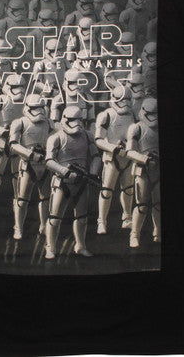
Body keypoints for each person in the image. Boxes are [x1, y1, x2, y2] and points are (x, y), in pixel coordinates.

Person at [45, 106, 101, 259]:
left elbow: (96, 156)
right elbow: (49, 161)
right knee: (55, 217)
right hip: (62, 181)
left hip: (81, 181)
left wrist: (93, 173)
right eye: (72, 120)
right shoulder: (56, 138)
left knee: (82, 217)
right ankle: (51, 247)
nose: (76, 123)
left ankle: (81, 246)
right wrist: (65, 172)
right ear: (64, 119)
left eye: (79, 120)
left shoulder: (87, 135)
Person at [9, 94, 54, 239]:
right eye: (35, 108)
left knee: (46, 198)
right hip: (27, 164)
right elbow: (13, 145)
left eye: (41, 107)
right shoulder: (20, 123)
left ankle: (44, 226)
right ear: (28, 108)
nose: (39, 111)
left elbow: (55, 141)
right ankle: (18, 228)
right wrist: (30, 154)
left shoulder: (49, 123)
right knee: (22, 199)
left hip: (44, 164)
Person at [95, 86, 136, 234]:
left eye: (127, 99)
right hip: (112, 157)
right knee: (106, 190)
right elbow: (98, 140)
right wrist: (113, 148)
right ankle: (102, 221)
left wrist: (130, 146)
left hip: (128, 156)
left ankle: (127, 217)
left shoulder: (133, 115)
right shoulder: (106, 115)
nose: (124, 103)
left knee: (128, 189)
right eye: (122, 99)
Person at [0, 74, 26, 215]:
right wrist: (1, 131)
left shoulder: (26, 101)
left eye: (21, 86)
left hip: (18, 140)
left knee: (18, 175)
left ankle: (17, 201)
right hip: (1, 140)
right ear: (8, 87)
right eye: (15, 87)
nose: (19, 90)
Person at [125, 97, 160, 247]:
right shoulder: (136, 128)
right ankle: (134, 235)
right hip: (143, 170)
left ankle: (158, 232)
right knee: (141, 205)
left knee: (158, 204)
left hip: (157, 169)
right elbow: (129, 151)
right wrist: (144, 158)